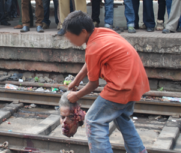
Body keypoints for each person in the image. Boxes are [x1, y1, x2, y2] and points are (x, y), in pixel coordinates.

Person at [63, 10, 149, 153]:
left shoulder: (93, 48)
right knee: (122, 118)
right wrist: (76, 81)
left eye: (71, 37)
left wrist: (76, 95)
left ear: (83, 32)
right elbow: (90, 62)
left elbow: (93, 84)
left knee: (93, 121)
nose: (70, 41)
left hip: (121, 87)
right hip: (135, 82)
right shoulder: (101, 33)